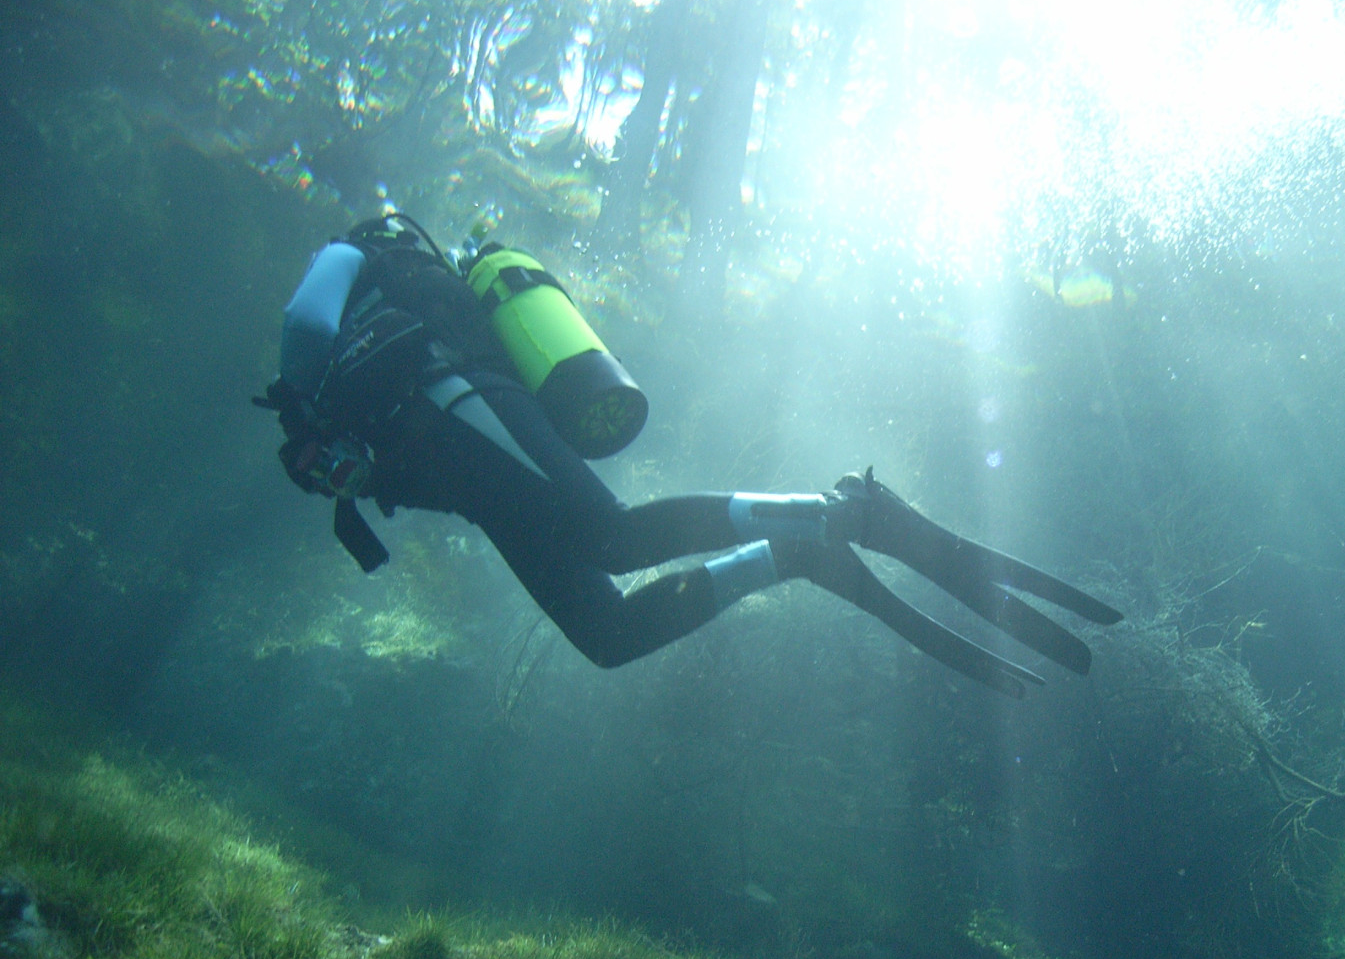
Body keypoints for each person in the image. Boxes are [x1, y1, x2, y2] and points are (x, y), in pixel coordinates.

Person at [257, 215, 1119, 697]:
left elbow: (303, 327)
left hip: (462, 404)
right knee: (606, 632)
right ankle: (796, 553)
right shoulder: (372, 319)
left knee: (614, 538)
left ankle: (851, 514)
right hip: (470, 464)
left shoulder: (352, 249)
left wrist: (306, 416)